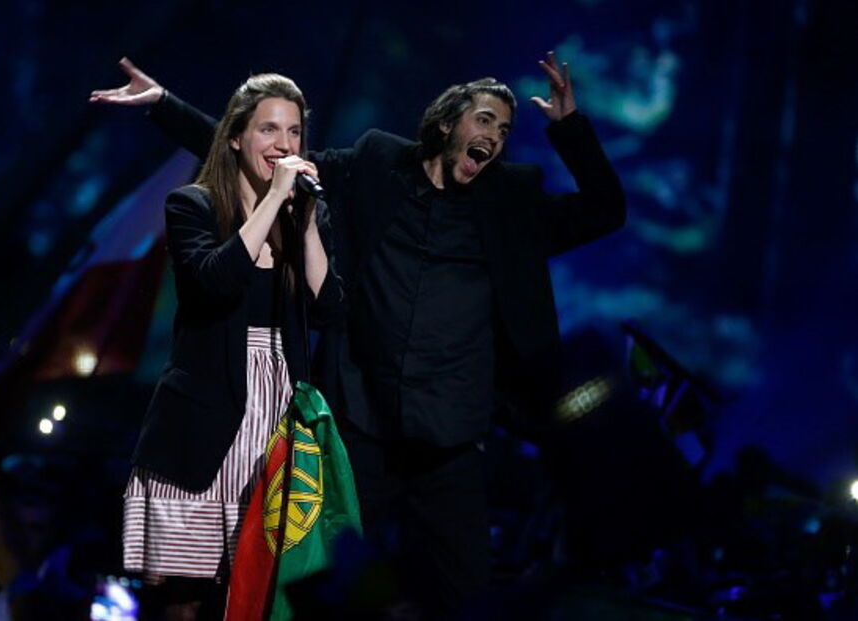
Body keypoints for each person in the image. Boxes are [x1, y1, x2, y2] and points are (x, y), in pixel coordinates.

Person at [91, 50, 625, 614]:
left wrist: (570, 127)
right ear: (447, 122)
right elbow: (271, 159)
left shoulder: (510, 207)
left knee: (462, 596)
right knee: (313, 586)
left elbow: (604, 211)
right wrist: (163, 106)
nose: (495, 134)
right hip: (360, 430)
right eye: (485, 119)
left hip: (449, 442)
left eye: (505, 128)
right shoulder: (375, 165)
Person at [113, 73, 341, 620]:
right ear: (235, 137)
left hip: (276, 419)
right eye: (269, 129)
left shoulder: (302, 215)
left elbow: (331, 310)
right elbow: (216, 281)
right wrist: (273, 202)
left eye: (293, 132)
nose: (284, 145)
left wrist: (307, 225)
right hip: (203, 420)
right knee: (184, 597)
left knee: (260, 589)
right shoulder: (192, 205)